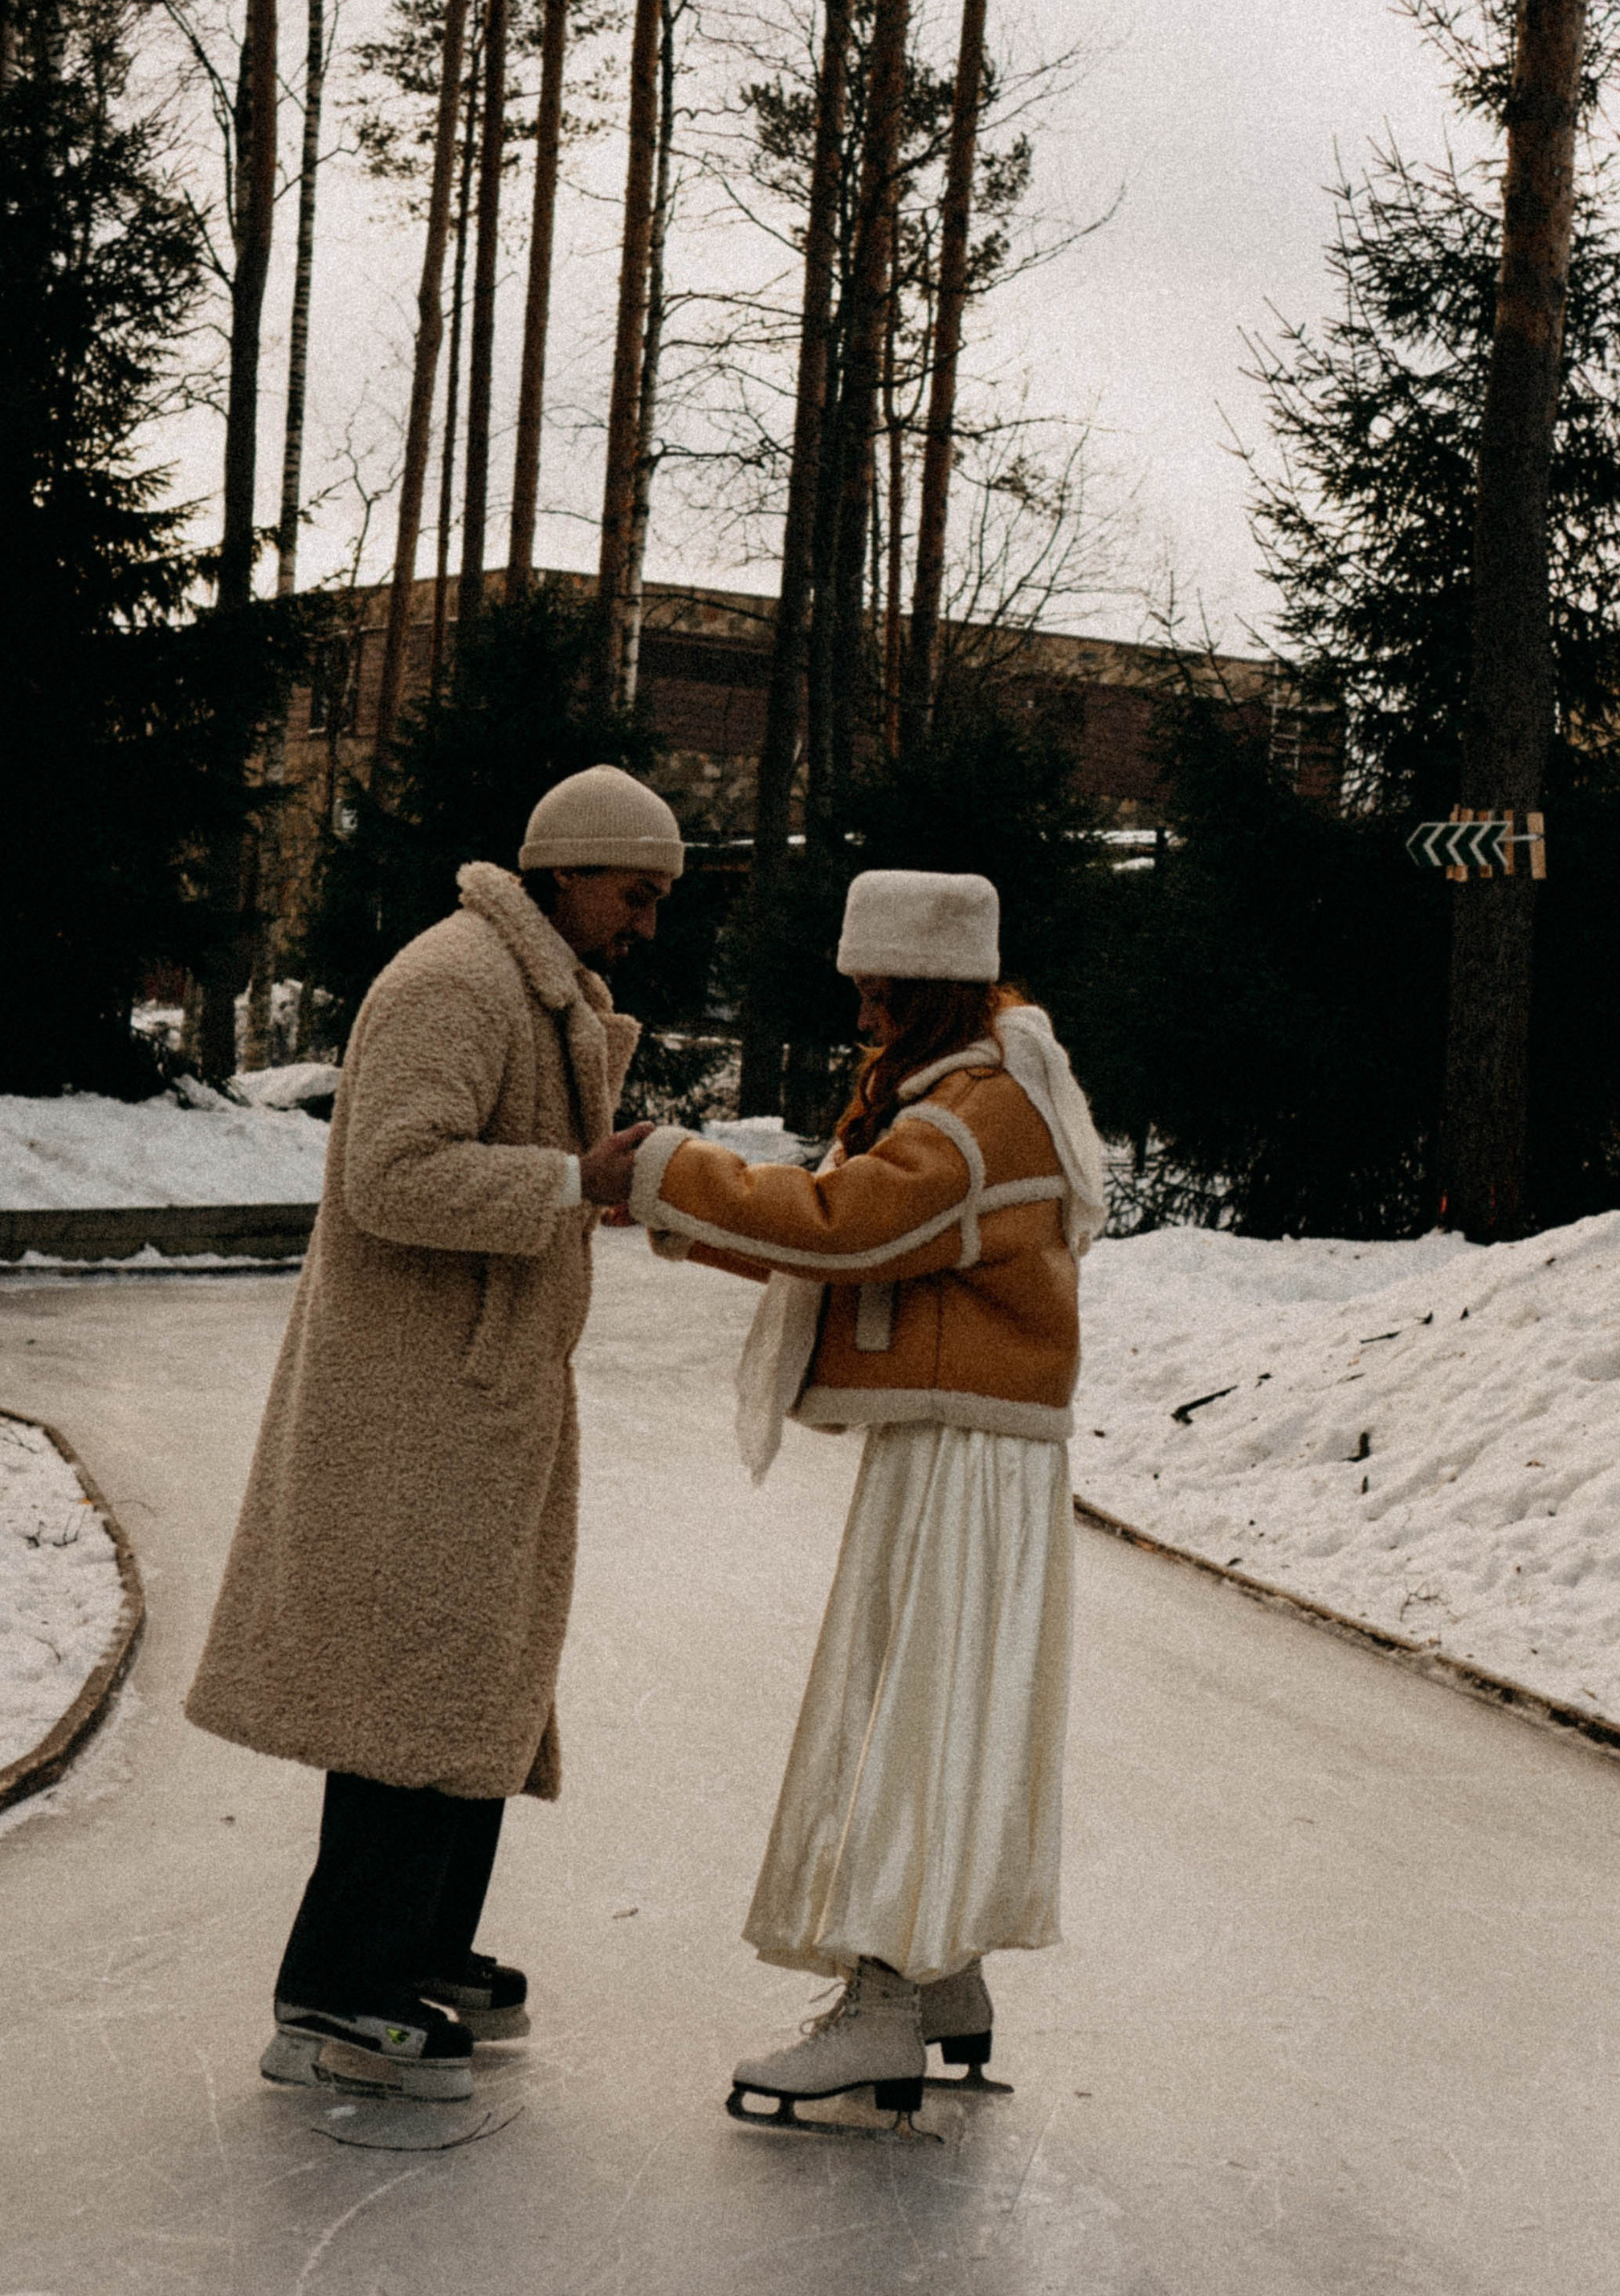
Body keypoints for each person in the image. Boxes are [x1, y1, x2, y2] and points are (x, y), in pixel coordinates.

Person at [185, 765, 682, 2103]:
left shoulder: (532, 990)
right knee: (406, 1688)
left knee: (474, 1676)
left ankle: (418, 1944)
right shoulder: (453, 981)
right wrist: (573, 1181)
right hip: (412, 1408)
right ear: (568, 870)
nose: (647, 923)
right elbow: (387, 1173)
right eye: (637, 893)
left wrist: (585, 1189)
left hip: (480, 1398)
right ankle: (333, 1985)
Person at [629, 867, 1104, 2129]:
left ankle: (887, 1995)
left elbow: (849, 1226)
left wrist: (670, 1171)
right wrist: (683, 1213)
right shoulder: (986, 1087)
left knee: (908, 1707)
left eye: (882, 994)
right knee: (927, 1697)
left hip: (965, 1454)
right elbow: (842, 1236)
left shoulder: (975, 1116)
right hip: (964, 1447)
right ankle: (937, 1976)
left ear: (934, 985)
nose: (863, 1018)